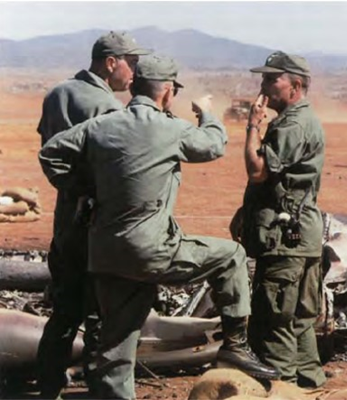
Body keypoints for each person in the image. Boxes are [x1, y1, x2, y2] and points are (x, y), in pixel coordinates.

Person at [39, 55, 279, 400]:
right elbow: (213, 143)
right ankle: (235, 345)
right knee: (232, 255)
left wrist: (86, 188)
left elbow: (50, 153)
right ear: (167, 92)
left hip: (106, 253)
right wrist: (205, 112)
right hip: (153, 250)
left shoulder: (101, 125)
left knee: (117, 344)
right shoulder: (168, 129)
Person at [36, 31, 150, 399]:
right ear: (110, 62)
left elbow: (50, 152)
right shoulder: (111, 109)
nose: (134, 71)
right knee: (103, 313)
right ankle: (102, 389)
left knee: (64, 312)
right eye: (130, 63)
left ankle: (49, 386)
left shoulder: (58, 94)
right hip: (97, 223)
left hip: (66, 219)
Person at [231, 51, 327, 388]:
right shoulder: (297, 120)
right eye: (264, 78)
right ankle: (309, 385)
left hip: (285, 240)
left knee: (273, 322)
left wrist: (252, 125)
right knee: (298, 320)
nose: (264, 85)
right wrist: (248, 211)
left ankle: (283, 389)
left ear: (295, 85)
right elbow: (277, 183)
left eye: (273, 79)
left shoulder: (293, 124)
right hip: (301, 236)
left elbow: (257, 170)